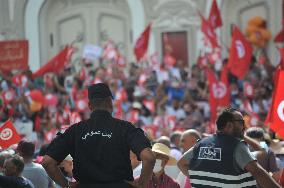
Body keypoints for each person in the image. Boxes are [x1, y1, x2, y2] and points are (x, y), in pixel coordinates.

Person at [42, 83, 155, 188]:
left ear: (90, 106)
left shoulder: (75, 131)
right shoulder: (125, 128)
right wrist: (141, 184)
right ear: (110, 103)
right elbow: (149, 157)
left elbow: (48, 162)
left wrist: (67, 185)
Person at [177, 107, 281, 187]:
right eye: (241, 122)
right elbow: (258, 173)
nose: (244, 127)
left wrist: (198, 181)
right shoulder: (236, 146)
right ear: (229, 125)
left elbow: (181, 163)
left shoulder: (201, 144)